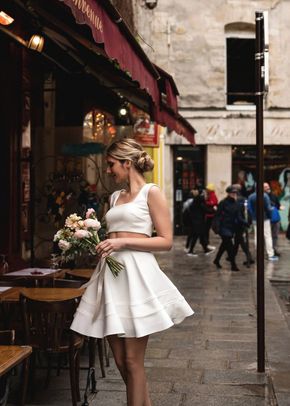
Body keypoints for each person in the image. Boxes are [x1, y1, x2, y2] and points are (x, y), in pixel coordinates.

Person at [70, 138, 194, 406]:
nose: (108, 170)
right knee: (120, 361)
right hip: (110, 278)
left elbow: (166, 240)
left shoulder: (152, 192)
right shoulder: (115, 197)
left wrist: (122, 241)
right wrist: (99, 243)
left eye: (111, 164)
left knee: (132, 361)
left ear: (127, 163)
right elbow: (112, 235)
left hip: (137, 278)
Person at [213, 185, 246, 271]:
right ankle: (233, 265)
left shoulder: (236, 204)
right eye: (232, 193)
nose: (234, 194)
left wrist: (245, 222)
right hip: (224, 228)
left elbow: (239, 216)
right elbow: (217, 215)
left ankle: (216, 260)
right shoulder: (223, 203)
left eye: (235, 193)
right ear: (228, 193)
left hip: (231, 228)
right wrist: (217, 227)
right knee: (230, 247)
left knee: (224, 245)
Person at [247, 184, 278, 261]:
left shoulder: (251, 196)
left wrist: (252, 216)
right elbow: (268, 208)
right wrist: (270, 215)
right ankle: (270, 255)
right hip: (265, 218)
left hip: (255, 219)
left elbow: (249, 209)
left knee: (257, 236)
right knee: (267, 236)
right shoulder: (265, 196)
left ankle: (259, 255)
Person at [186, 187, 215, 257]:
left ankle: (205, 249)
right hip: (198, 222)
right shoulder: (200, 201)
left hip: (197, 221)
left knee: (201, 236)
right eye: (205, 194)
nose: (206, 195)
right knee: (196, 236)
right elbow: (205, 210)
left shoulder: (197, 201)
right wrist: (214, 210)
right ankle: (190, 251)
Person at [231, 184, 254, 267]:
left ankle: (249, 257)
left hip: (238, 223)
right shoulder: (244, 199)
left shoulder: (237, 199)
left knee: (240, 240)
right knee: (238, 241)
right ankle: (232, 256)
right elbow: (248, 211)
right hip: (242, 223)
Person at [264, 182, 282, 256]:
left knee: (275, 235)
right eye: (265, 187)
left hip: (275, 219)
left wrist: (279, 207)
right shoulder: (262, 196)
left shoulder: (274, 195)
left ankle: (274, 249)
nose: (267, 187)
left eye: (268, 186)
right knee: (267, 236)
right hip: (267, 219)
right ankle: (268, 251)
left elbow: (278, 205)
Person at [205, 183, 218, 249]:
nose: (206, 190)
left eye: (207, 189)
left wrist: (205, 202)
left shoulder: (212, 195)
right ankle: (206, 242)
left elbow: (213, 203)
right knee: (206, 229)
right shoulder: (209, 195)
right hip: (209, 214)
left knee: (207, 229)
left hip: (210, 215)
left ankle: (206, 243)